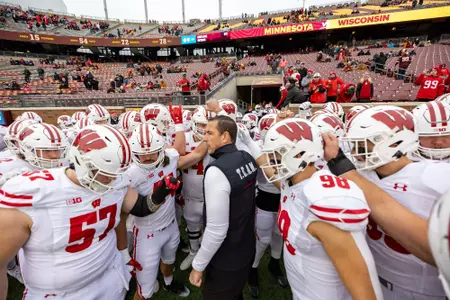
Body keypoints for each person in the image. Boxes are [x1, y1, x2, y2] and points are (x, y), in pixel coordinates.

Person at [239, 116, 383, 300]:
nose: (272, 160)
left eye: (278, 153)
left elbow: (365, 290)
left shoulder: (324, 198)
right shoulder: (292, 180)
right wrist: (249, 141)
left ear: (301, 154)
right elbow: (266, 167)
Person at [342, 105, 448, 299]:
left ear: (396, 143)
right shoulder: (362, 173)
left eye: (364, 145)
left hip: (423, 290)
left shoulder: (438, 178)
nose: (357, 153)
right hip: (374, 276)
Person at [189, 116, 257, 300]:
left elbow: (217, 230)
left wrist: (198, 265)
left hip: (226, 258)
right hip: (247, 247)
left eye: (209, 133)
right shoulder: (247, 158)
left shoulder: (217, 170)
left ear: (225, 136)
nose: (205, 138)